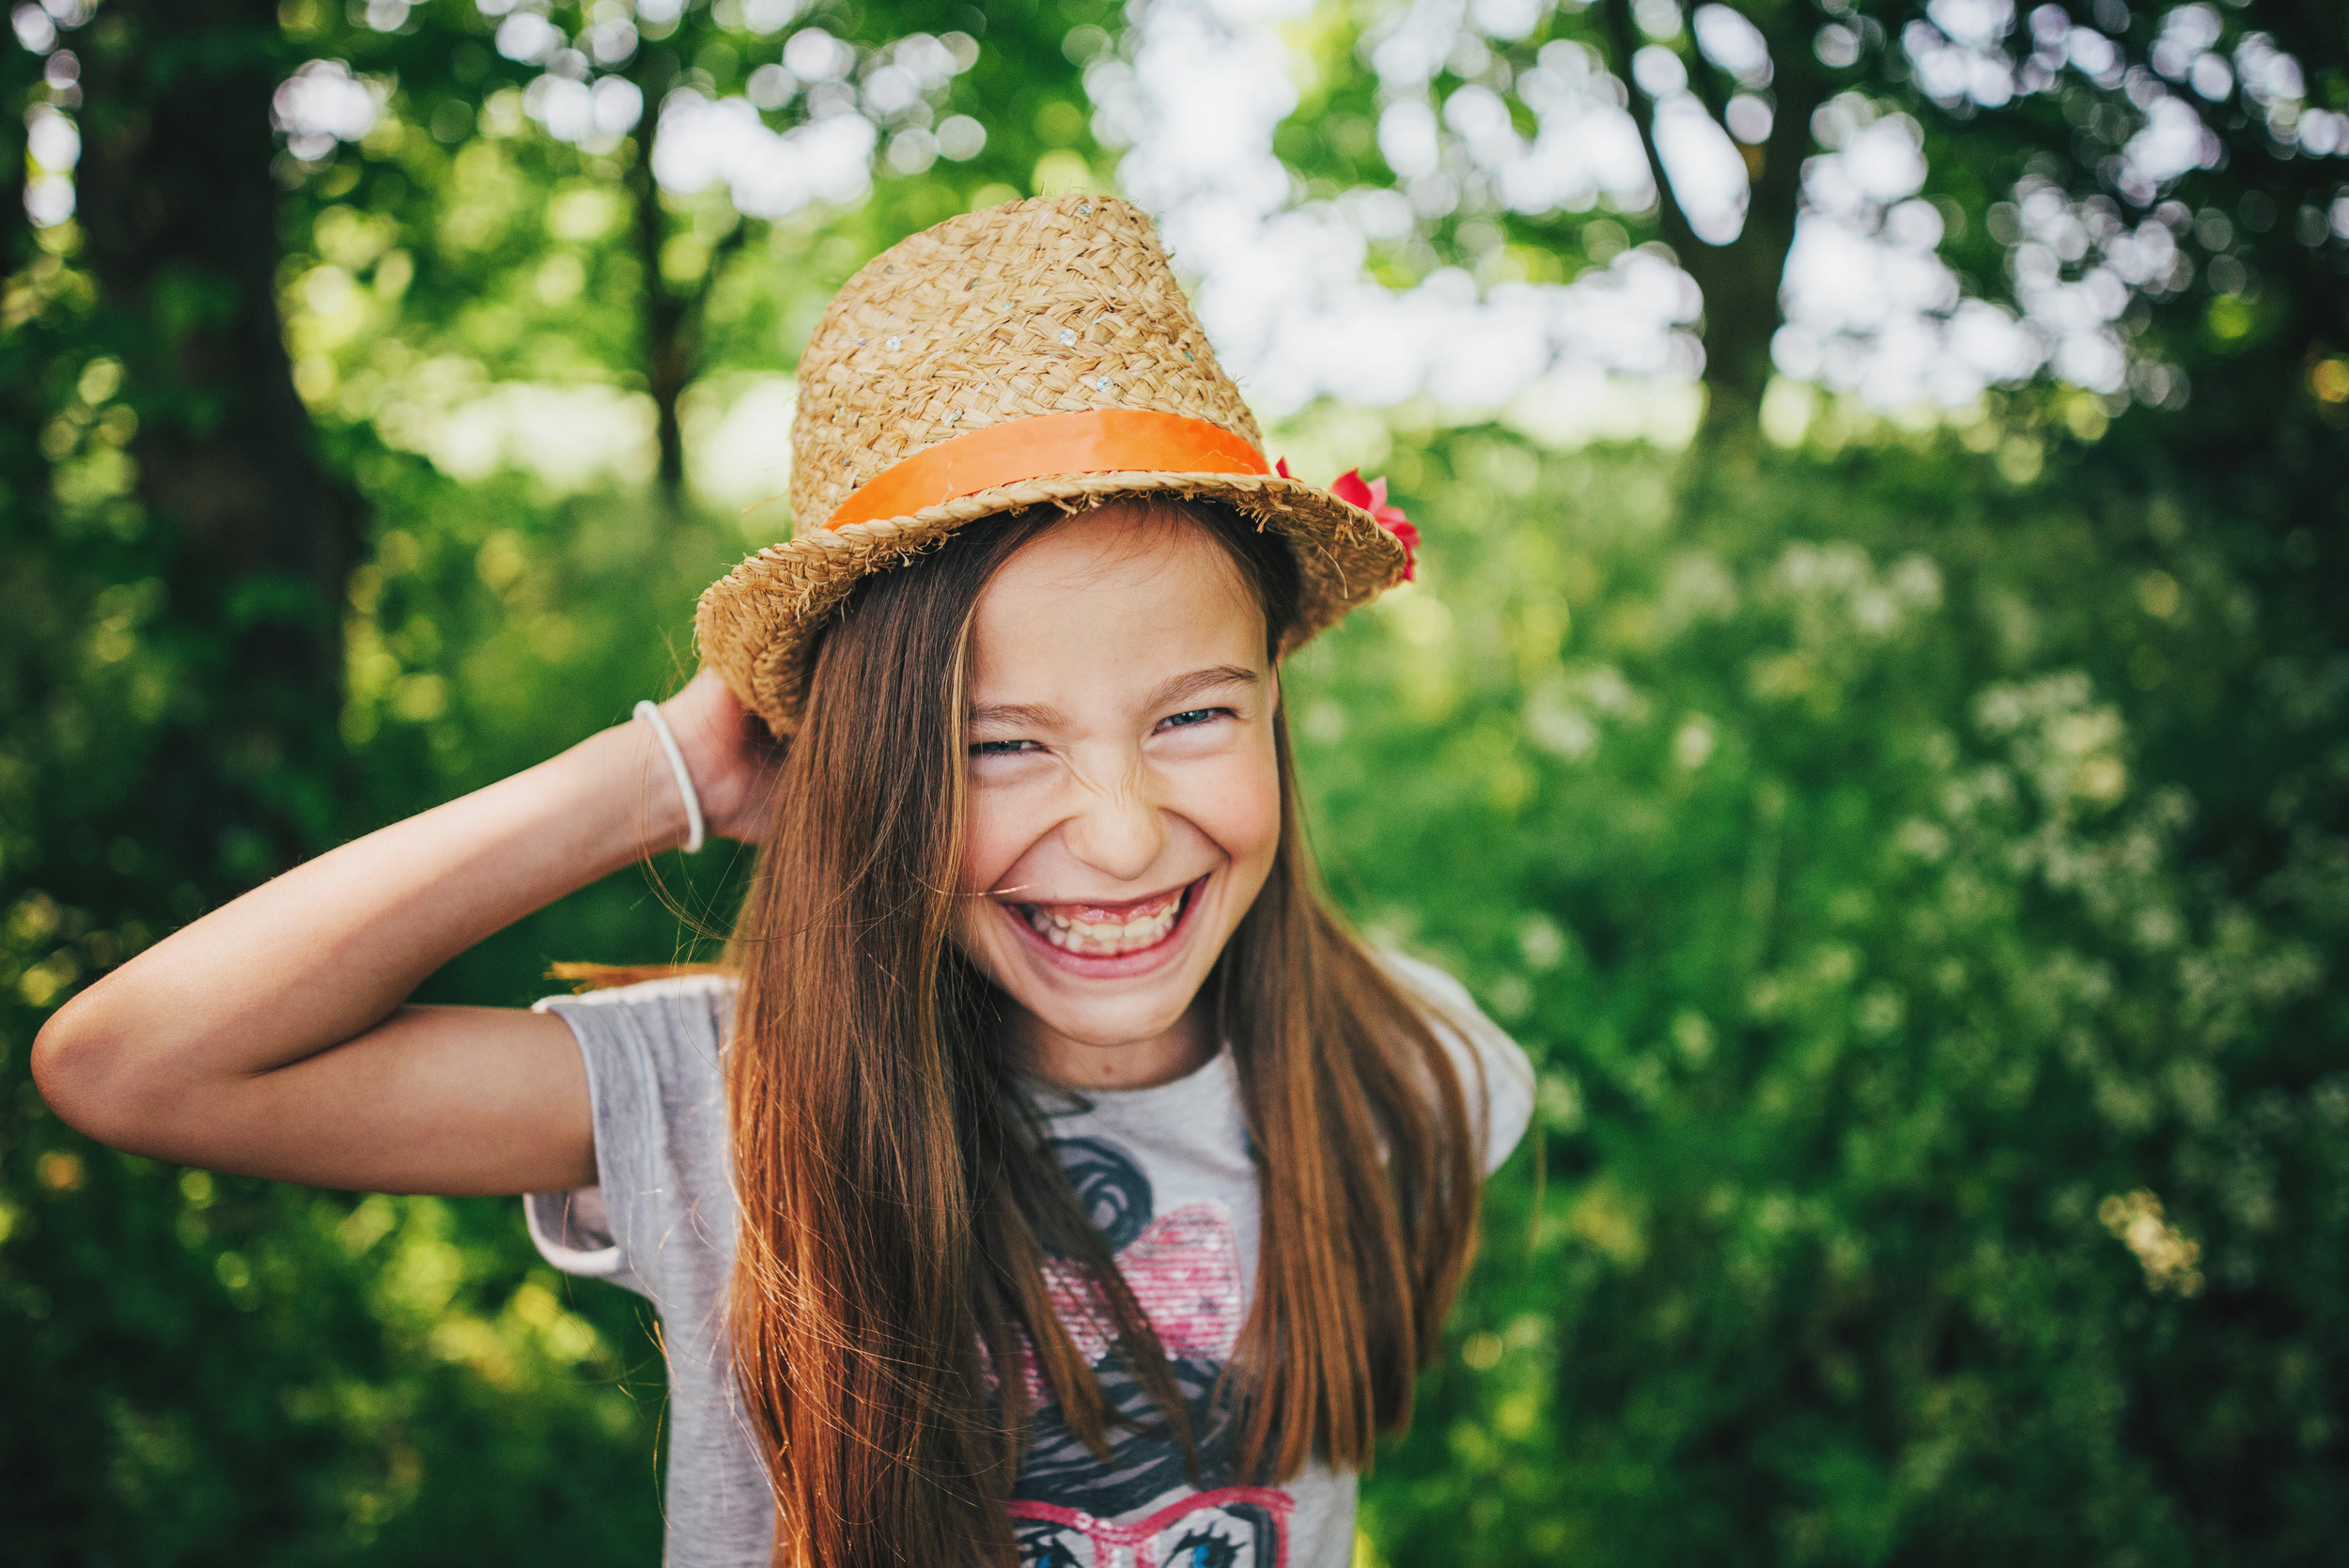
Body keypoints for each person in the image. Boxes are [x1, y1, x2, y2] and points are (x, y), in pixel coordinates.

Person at [34, 194, 1532, 1568]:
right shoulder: (736, 1102)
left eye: (1192, 715)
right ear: (867, 772)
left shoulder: (1409, 1074)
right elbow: (134, 1063)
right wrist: (663, 776)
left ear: (1278, 699)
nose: (1125, 834)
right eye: (994, 744)